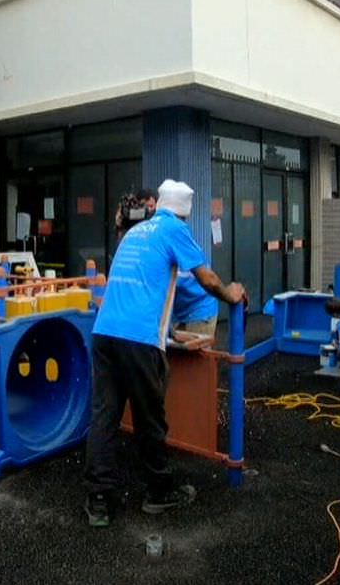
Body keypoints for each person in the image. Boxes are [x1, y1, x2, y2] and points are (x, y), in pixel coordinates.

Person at [84, 179, 246, 527]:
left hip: (104, 332)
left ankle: (98, 500)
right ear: (185, 213)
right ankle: (159, 492)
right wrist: (231, 293)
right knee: (150, 417)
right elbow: (206, 278)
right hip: (139, 339)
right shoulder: (174, 228)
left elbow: (141, 281)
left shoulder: (136, 231)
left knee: (104, 417)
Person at [172, 271, 218, 338]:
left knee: (198, 347)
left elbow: (209, 280)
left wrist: (228, 296)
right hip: (172, 308)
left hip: (199, 305)